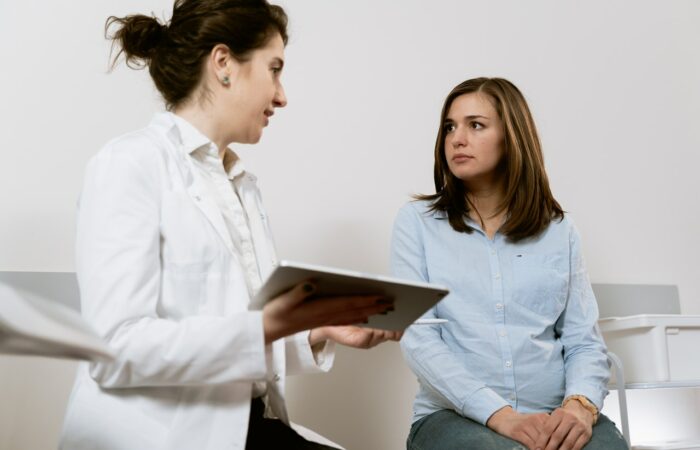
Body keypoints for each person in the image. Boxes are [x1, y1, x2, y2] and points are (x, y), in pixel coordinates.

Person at [59, 1, 400, 449]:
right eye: (274, 69)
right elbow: (117, 348)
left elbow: (230, 336)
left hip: (244, 426)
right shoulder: (128, 165)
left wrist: (317, 329)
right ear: (223, 64)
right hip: (161, 436)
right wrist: (265, 325)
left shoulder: (239, 185)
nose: (282, 95)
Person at [392, 77, 628, 450]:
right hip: (455, 417)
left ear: (512, 137)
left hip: (554, 411)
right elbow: (419, 341)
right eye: (450, 127)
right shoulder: (417, 223)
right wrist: (502, 417)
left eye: (476, 125)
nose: (457, 138)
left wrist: (580, 407)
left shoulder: (559, 231)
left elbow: (583, 341)